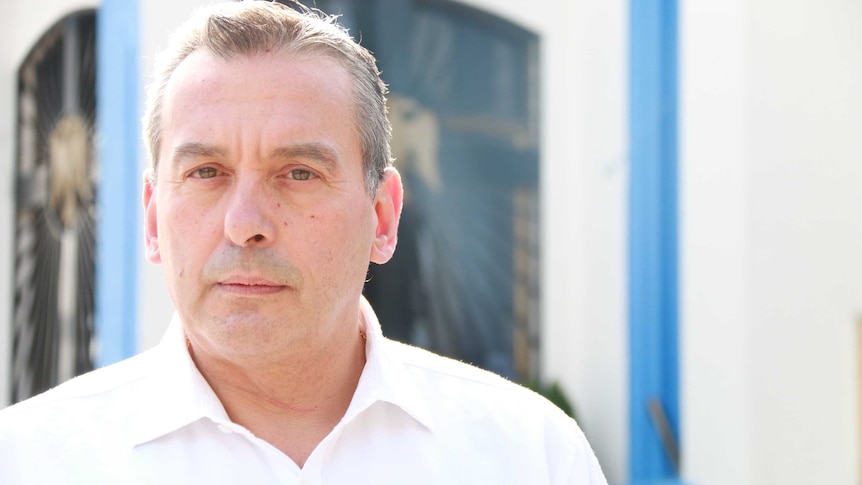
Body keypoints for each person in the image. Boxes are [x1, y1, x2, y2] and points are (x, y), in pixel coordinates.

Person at [0, 2, 608, 483]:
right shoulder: (31, 463)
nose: (245, 223)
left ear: (382, 217)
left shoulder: (530, 458)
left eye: (298, 174)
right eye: (206, 172)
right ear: (154, 218)